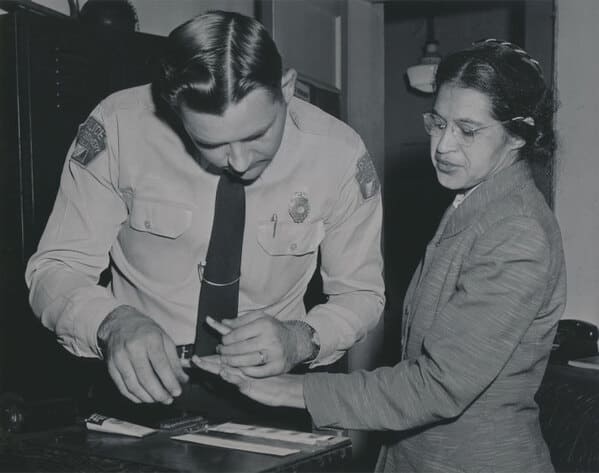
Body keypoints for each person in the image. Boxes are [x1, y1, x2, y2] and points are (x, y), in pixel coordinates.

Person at [195, 39, 566, 472]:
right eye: (438, 123)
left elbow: (439, 386)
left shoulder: (516, 231)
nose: (443, 145)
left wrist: (288, 389)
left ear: (517, 135)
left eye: (467, 130)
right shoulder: (478, 202)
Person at [25, 10, 384, 418]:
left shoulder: (338, 154)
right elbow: (55, 268)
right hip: (139, 393)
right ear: (172, 107)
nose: (240, 161)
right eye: (211, 143)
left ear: (286, 87)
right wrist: (111, 322)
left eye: (258, 134)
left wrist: (300, 339)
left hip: (273, 395)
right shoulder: (119, 127)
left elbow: (362, 293)